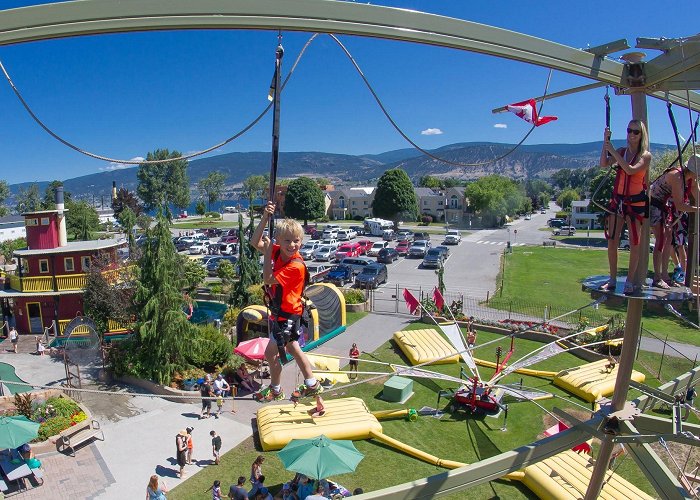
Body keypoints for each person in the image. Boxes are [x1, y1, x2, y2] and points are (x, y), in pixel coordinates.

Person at [250, 202, 323, 402]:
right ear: (279, 241)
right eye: (288, 241)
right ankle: (299, 385)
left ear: (301, 242)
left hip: (287, 315)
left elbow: (267, 278)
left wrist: (267, 255)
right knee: (286, 351)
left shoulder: (295, 266)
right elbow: (254, 242)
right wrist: (265, 217)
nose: (292, 245)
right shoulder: (279, 251)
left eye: (296, 241)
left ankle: (284, 387)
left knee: (278, 352)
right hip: (283, 314)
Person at [599, 120, 652, 294]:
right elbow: (604, 163)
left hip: (635, 204)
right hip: (618, 201)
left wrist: (613, 150)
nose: (631, 134)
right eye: (629, 130)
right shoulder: (622, 151)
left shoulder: (645, 156)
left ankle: (630, 280)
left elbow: (630, 170)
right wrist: (605, 143)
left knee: (634, 243)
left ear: (641, 134)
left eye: (635, 132)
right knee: (612, 241)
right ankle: (612, 279)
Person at [649, 154, 700, 288]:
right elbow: (680, 205)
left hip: (664, 205)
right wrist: (696, 209)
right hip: (653, 203)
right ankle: (657, 277)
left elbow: (697, 194)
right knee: (661, 239)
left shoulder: (690, 179)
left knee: (668, 238)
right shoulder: (677, 177)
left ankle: (664, 276)